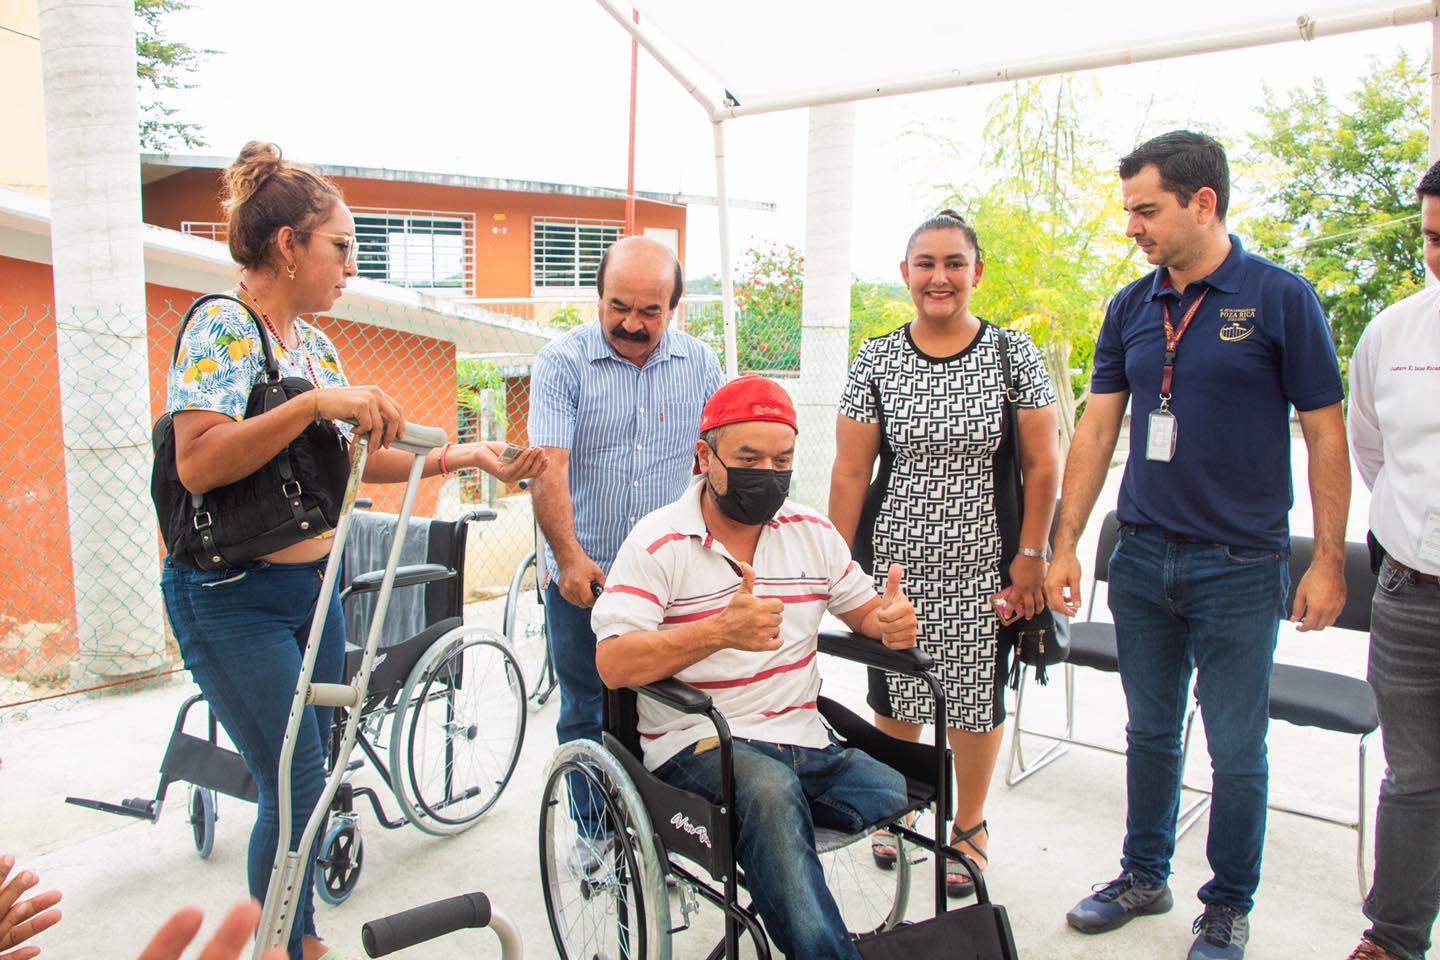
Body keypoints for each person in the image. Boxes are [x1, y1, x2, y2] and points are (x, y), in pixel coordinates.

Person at [161, 142, 545, 960]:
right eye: (340, 247)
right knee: (295, 778)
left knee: (316, 773)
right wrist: (310, 405)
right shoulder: (222, 329)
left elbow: (359, 461)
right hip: (232, 599)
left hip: (314, 592)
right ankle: (288, 944)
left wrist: (462, 458)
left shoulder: (315, 349)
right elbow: (198, 461)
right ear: (287, 245)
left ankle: (288, 938)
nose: (350, 266)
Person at [1044, 130, 1350, 960]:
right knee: (1148, 731)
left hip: (1241, 566)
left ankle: (1227, 904)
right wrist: (1064, 542)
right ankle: (1144, 875)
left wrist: (1326, 560)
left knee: (1235, 746)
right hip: (1141, 554)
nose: (1133, 227)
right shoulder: (1131, 305)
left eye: (1146, 210)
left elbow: (1326, 434)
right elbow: (1099, 425)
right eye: (1129, 211)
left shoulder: (1281, 297)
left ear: (1202, 202)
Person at [592, 375, 918, 960]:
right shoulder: (658, 542)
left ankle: (775, 851)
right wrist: (719, 630)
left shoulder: (812, 532)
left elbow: (866, 610)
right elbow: (613, 663)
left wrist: (889, 621)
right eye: (748, 458)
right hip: (700, 745)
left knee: (893, 786)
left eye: (782, 459)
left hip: (803, 739)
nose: (767, 472)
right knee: (768, 794)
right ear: (705, 456)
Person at [830, 210, 1060, 896]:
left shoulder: (1012, 354)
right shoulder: (874, 358)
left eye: (954, 263)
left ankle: (970, 825)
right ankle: (899, 804)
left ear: (976, 273)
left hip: (985, 566)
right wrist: (836, 567)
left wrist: (1031, 556)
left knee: (973, 701)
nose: (940, 277)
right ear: (905, 275)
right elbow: (849, 473)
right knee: (896, 689)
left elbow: (1045, 465)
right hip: (895, 561)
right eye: (925, 263)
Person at [527, 235, 724, 836]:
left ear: (674, 307)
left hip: (668, 577)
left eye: (650, 311)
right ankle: (595, 834)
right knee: (588, 707)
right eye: (619, 307)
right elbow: (547, 466)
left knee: (667, 709)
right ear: (598, 297)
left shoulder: (703, 366)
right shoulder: (561, 363)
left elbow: (714, 467)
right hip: (585, 568)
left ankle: (655, 831)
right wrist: (569, 558)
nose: (632, 324)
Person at [1342, 161, 1440, 960]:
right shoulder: (1395, 331)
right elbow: (1371, 450)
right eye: (1435, 239)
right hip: (1411, 590)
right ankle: (1395, 939)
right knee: (1413, 779)